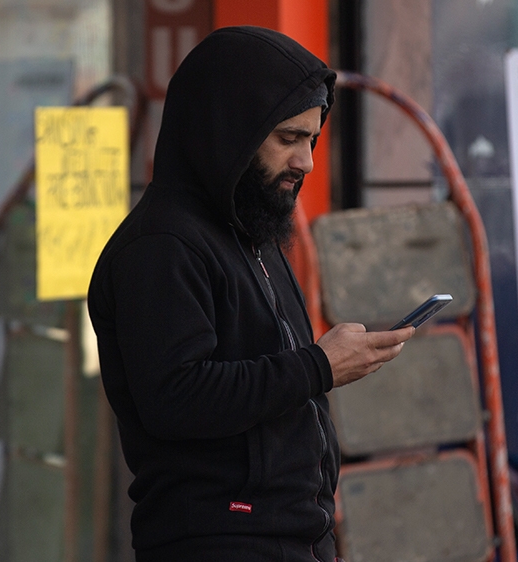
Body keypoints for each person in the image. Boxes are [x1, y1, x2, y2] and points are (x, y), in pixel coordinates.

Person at [87, 26, 413, 562]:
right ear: (227, 132)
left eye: (312, 139)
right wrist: (319, 366)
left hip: (290, 534)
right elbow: (176, 398)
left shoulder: (246, 231)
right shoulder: (161, 246)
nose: (305, 162)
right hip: (221, 541)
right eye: (288, 138)